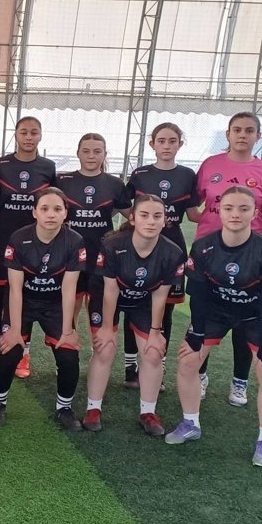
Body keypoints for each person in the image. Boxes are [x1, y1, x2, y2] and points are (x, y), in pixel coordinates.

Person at [166, 186, 262, 466]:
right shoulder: (202, 247)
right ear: (218, 211)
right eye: (229, 208)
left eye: (244, 209)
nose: (235, 214)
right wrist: (196, 333)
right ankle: (190, 423)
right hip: (215, 312)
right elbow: (198, 295)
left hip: (256, 315)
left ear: (255, 213)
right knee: (187, 360)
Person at [189, 111, 262, 408]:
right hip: (210, 255)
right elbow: (193, 202)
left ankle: (239, 382)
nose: (243, 135)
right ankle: (200, 375)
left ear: (258, 136)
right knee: (205, 313)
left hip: (252, 258)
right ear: (228, 134)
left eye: (249, 130)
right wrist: (203, 222)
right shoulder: (210, 165)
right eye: (237, 129)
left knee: (246, 319)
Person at [82, 194, 185, 435]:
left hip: (143, 300)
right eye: (144, 215)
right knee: (105, 348)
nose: (151, 221)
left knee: (153, 352)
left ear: (165, 220)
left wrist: (156, 332)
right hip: (107, 296)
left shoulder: (172, 252)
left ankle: (148, 412)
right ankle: (93, 408)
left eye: (157, 216)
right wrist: (106, 328)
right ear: (132, 218)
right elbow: (110, 289)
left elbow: (160, 294)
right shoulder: (113, 245)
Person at [0, 188, 85, 430]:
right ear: (34, 212)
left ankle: (64, 408)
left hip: (54, 304)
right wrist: (14, 329)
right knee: (10, 350)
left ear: (65, 213)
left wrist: (67, 331)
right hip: (24, 301)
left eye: (57, 209)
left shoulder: (74, 241)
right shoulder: (18, 238)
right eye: (44, 209)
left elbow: (69, 288)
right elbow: (14, 289)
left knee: (68, 354)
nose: (51, 214)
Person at [123, 123, 199, 390]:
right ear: (152, 144)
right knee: (133, 303)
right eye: (162, 140)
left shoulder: (188, 175)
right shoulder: (140, 174)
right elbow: (123, 205)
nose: (167, 145)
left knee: (165, 308)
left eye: (172, 141)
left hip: (172, 247)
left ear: (180, 144)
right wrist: (139, 223)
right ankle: (131, 367)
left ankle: (159, 364)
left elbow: (193, 213)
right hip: (139, 246)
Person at [0, 116, 56, 377]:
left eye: (33, 132)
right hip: (3, 239)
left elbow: (53, 201)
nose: (28, 137)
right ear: (15, 134)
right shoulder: (1, 164)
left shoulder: (48, 167)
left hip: (36, 244)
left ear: (41, 136)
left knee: (27, 297)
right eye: (24, 132)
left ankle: (23, 354)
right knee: (0, 297)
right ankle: (0, 350)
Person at [56, 133, 131, 348]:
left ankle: (97, 353)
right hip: (70, 255)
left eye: (97, 151)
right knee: (72, 303)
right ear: (77, 153)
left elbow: (132, 215)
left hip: (102, 256)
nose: (91, 156)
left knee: (97, 307)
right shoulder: (63, 181)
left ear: (105, 154)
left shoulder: (115, 184)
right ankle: (69, 349)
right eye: (86, 151)